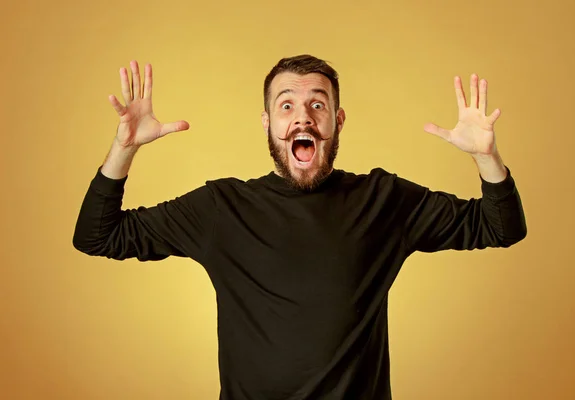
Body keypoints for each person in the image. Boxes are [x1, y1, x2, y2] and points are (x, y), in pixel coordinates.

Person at [73, 54, 527, 400]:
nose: (302, 117)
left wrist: (486, 156)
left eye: (317, 104)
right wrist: (124, 149)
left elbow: (500, 227)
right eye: (286, 105)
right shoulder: (221, 208)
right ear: (268, 123)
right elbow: (98, 235)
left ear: (337, 120)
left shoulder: (384, 201)